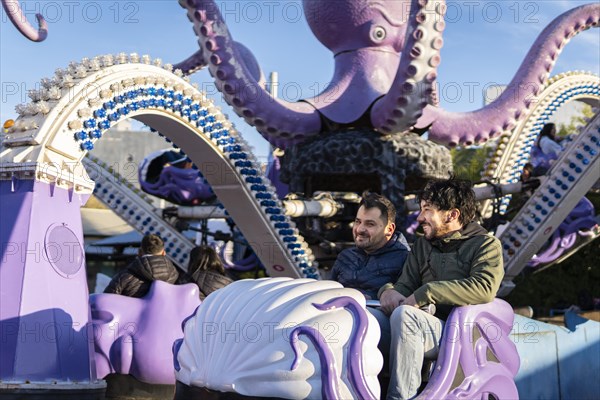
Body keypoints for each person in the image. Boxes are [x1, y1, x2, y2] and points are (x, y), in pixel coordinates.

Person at [378, 178, 504, 400]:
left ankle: (401, 398)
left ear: (452, 215)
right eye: (420, 209)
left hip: (461, 334)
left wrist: (427, 292)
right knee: (369, 319)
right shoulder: (423, 245)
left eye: (427, 210)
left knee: (407, 316)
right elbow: (405, 285)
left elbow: (484, 288)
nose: (419, 217)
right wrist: (388, 291)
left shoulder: (486, 245)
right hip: (426, 327)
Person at [330, 191, 410, 356]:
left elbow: (406, 301)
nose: (360, 229)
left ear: (389, 229)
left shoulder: (406, 258)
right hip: (340, 318)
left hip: (381, 328)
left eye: (370, 224)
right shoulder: (346, 256)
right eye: (358, 222)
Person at [104, 234, 181, 297]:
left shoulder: (123, 277)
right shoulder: (175, 275)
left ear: (140, 252)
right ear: (164, 253)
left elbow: (106, 302)